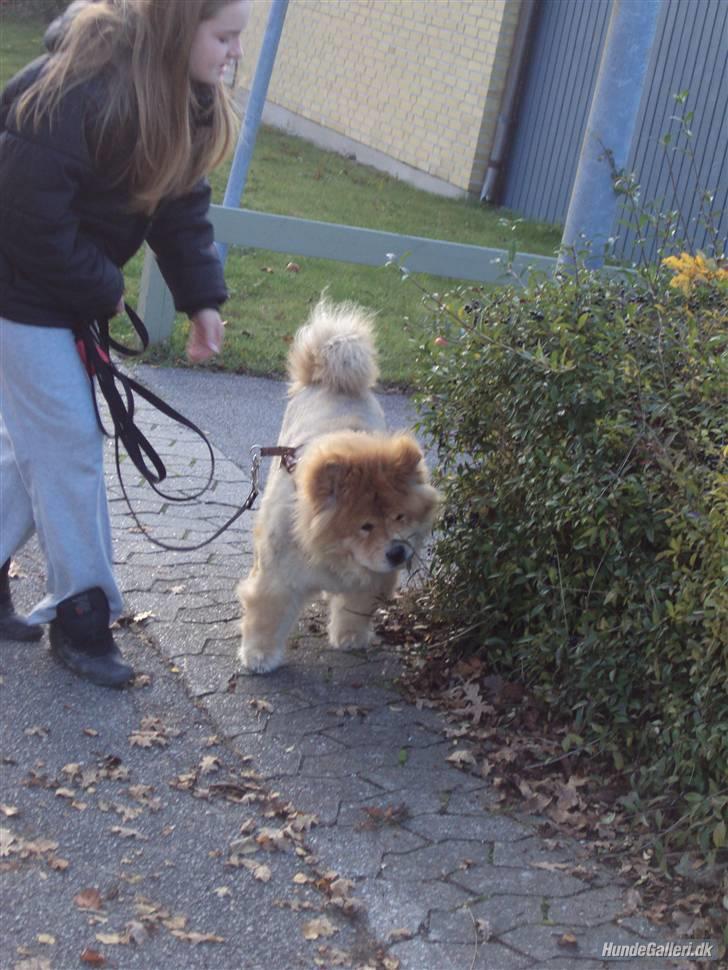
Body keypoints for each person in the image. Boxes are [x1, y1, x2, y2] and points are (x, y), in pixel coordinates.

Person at [0, 0, 250, 687]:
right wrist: (99, 286)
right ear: (178, 30)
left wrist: (201, 299)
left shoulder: (183, 102)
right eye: (224, 36)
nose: (234, 53)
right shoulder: (75, 91)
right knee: (68, 444)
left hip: (58, 293)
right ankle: (81, 616)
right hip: (15, 291)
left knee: (37, 446)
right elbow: (25, 212)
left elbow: (180, 208)